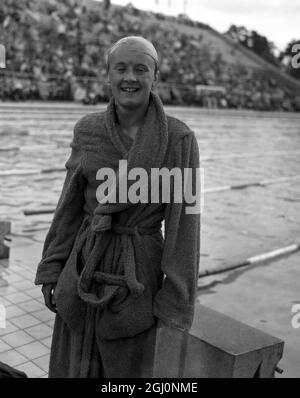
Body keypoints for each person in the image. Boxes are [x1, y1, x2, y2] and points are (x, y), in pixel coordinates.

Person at [35, 36, 200, 378]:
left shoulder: (180, 140)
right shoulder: (88, 130)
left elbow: (185, 228)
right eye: (121, 68)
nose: (130, 78)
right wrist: (52, 266)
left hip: (136, 278)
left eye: (141, 69)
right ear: (107, 75)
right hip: (83, 266)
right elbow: (68, 207)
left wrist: (175, 304)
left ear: (155, 76)